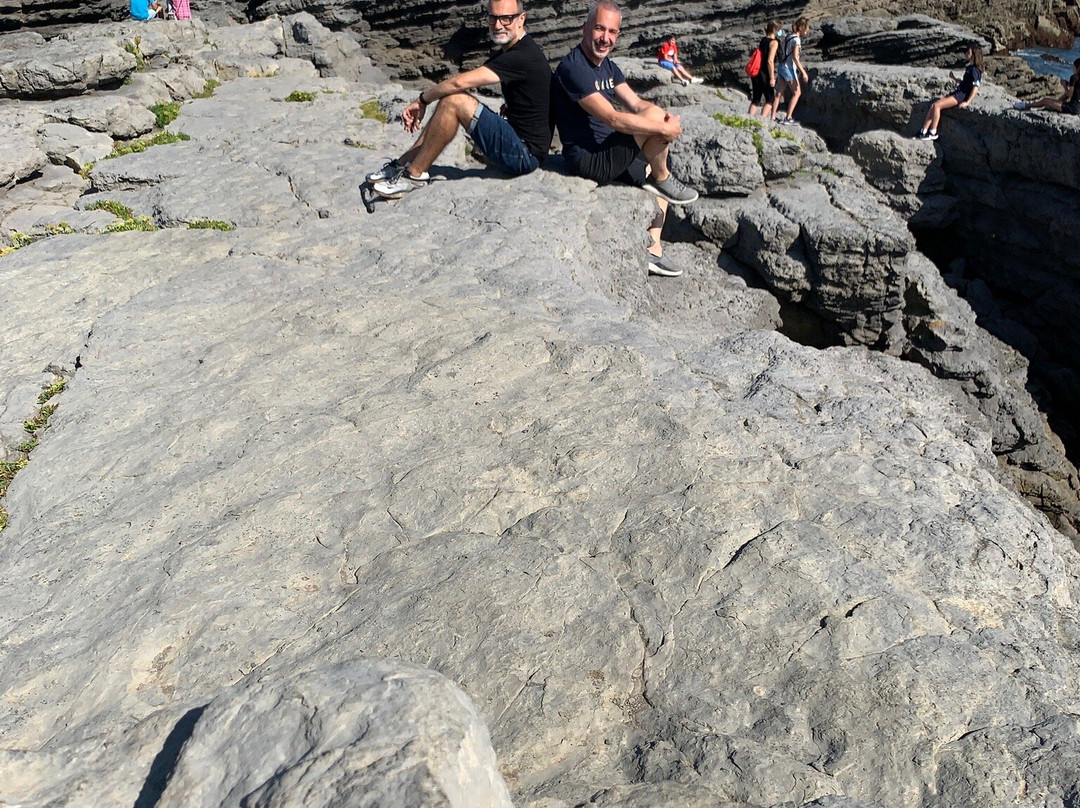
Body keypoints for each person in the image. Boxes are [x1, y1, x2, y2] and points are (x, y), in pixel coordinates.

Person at [552, 1, 700, 277]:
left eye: (612, 31)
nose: (605, 38)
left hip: (608, 149)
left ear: (618, 35)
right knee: (658, 160)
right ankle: (663, 179)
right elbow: (613, 118)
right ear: (585, 28)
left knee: (656, 166)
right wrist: (660, 128)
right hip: (587, 159)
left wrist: (665, 118)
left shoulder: (609, 67)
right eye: (599, 29)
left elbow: (636, 103)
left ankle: (653, 251)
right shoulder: (574, 68)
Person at [367, 0, 552, 199]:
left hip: (524, 155)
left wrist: (422, 101)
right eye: (493, 18)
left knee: (454, 101)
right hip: (515, 139)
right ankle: (402, 164)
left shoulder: (522, 56)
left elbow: (459, 83)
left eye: (506, 18)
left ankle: (414, 176)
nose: (498, 25)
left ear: (521, 18)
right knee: (449, 100)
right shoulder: (513, 51)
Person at [917, 45, 984, 140]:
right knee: (933, 106)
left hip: (961, 96)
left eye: (968, 53)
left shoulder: (975, 70)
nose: (966, 54)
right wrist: (955, 79)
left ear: (973, 55)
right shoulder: (969, 68)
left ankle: (933, 132)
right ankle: (923, 132)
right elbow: (966, 83)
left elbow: (975, 87)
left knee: (937, 106)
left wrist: (967, 102)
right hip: (958, 92)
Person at [775, 18, 810, 125]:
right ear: (802, 28)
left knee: (779, 93)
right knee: (797, 93)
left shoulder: (789, 36)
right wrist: (803, 72)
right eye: (807, 28)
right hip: (789, 69)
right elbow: (795, 58)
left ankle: (772, 116)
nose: (808, 30)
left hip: (782, 66)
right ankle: (788, 117)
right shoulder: (797, 40)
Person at [1014, 57, 1080, 114]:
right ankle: (1051, 106)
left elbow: (1069, 95)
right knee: (1061, 98)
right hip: (1077, 108)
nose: (1072, 69)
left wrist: (1064, 86)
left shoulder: (1074, 77)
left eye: (1073, 67)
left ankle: (1025, 105)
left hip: (1072, 108)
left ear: (1078, 68)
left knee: (1045, 100)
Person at [748, 21, 781, 119]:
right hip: (765, 73)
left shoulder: (763, 40)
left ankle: (749, 118)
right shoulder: (774, 42)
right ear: (775, 30)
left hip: (757, 71)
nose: (780, 31)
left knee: (756, 99)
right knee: (770, 99)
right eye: (779, 29)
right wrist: (772, 78)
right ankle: (762, 120)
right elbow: (770, 61)